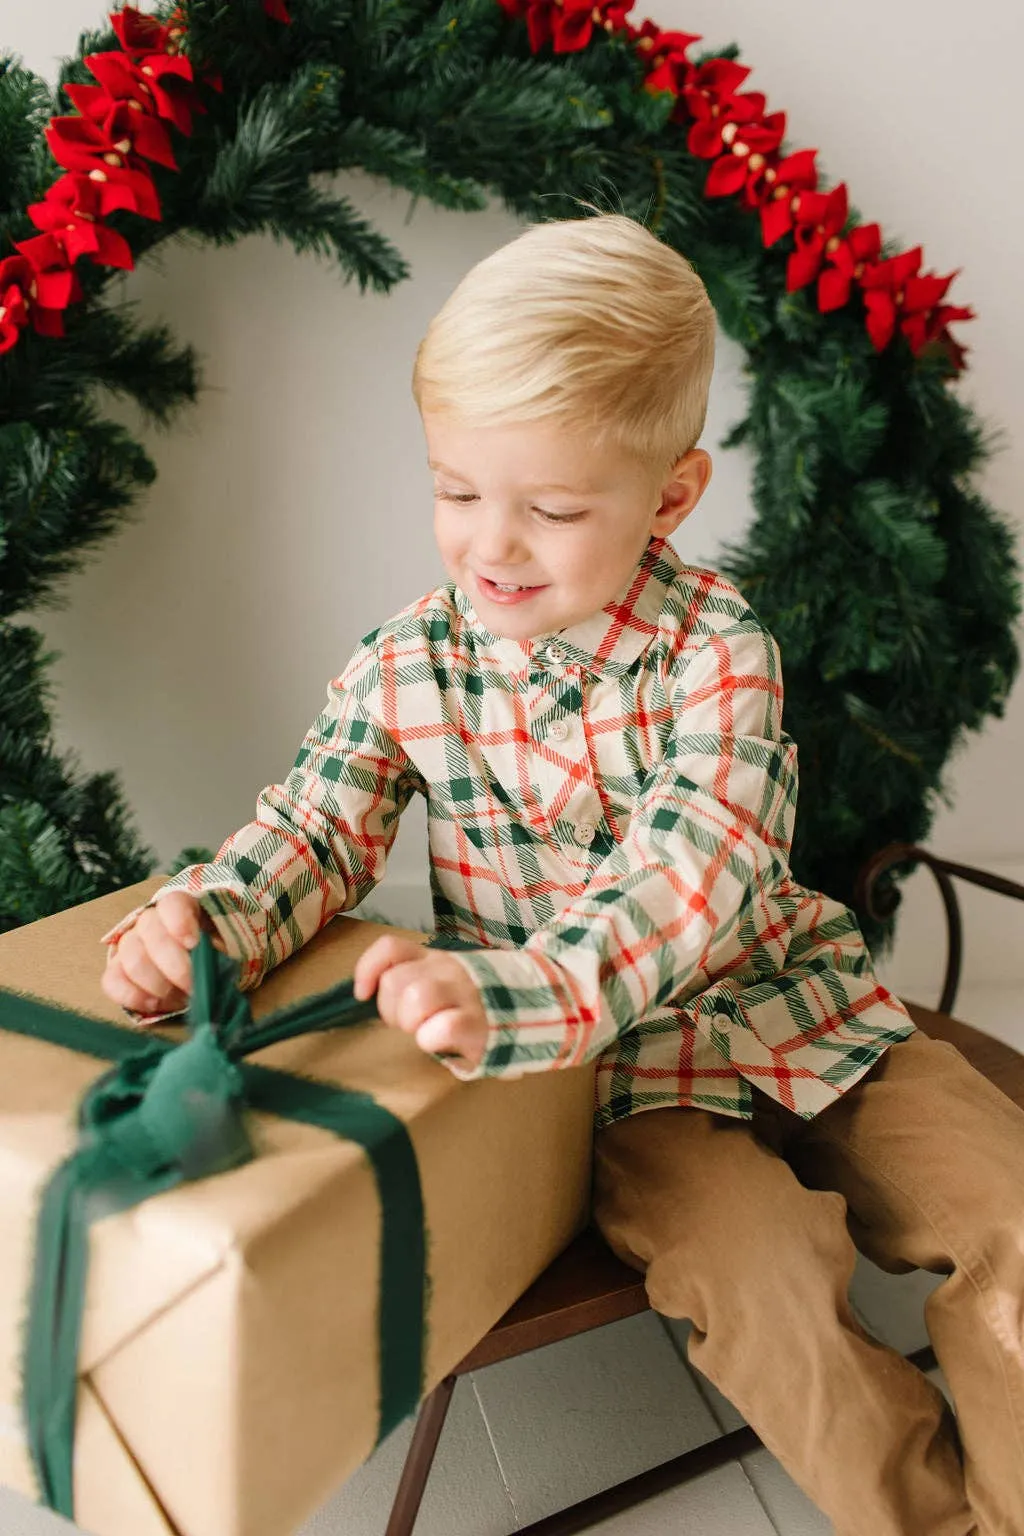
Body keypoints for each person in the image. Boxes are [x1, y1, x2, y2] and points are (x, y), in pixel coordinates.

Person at [99, 213, 1024, 1536]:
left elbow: (697, 861)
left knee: (1011, 1206)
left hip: (801, 1011)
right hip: (609, 1090)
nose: (494, 546)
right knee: (760, 1282)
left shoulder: (719, 652)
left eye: (552, 509)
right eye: (458, 491)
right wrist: (203, 924)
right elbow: (314, 826)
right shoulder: (411, 664)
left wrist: (528, 982)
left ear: (672, 494)